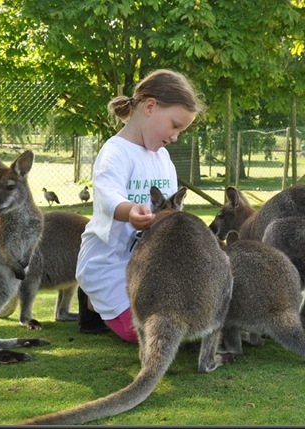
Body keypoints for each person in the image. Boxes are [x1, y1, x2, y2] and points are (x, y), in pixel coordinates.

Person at [76, 69, 205, 342]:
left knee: (183, 323)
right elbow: (108, 194)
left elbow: (171, 207)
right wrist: (130, 211)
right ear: (150, 107)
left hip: (147, 266)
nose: (175, 136)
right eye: (175, 125)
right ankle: (92, 299)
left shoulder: (162, 159)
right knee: (143, 333)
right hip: (110, 262)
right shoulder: (116, 152)